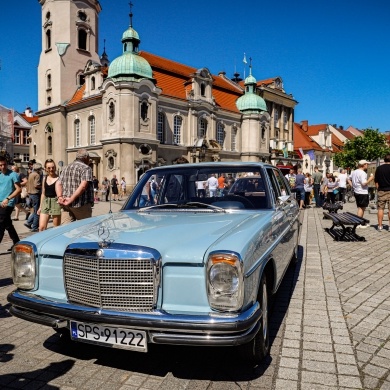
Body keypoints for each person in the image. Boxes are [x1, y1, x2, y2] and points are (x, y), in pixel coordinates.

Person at [56, 148, 94, 224]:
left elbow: (58, 183)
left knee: (66, 230)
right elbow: (83, 186)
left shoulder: (66, 167)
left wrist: (59, 197)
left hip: (65, 204)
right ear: (86, 157)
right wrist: (71, 199)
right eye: (89, 158)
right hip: (81, 204)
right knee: (85, 228)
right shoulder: (86, 168)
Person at [0, 156, 21, 251]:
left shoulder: (13, 174)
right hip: (0, 203)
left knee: (1, 223)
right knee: (8, 224)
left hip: (8, 203)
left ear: (7, 164)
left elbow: (18, 189)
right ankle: (17, 242)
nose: (3, 167)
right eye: (0, 165)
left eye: (4, 164)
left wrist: (8, 198)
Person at [38, 159, 62, 231]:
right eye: (49, 168)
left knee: (56, 228)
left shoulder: (59, 179)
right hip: (46, 202)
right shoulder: (44, 178)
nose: (51, 169)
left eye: (53, 167)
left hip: (55, 202)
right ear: (45, 168)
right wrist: (40, 206)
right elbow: (43, 193)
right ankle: (42, 242)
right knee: (41, 227)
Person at [348, 160, 375, 224]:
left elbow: (348, 179)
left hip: (357, 191)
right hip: (362, 192)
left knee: (360, 207)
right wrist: (371, 178)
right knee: (361, 208)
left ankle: (360, 222)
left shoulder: (354, 172)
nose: (367, 166)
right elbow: (363, 183)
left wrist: (353, 186)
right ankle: (358, 223)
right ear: (364, 165)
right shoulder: (362, 173)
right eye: (367, 164)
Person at [374, 154, 390, 231]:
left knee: (380, 209)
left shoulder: (379, 168)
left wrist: (378, 189)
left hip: (382, 190)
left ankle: (380, 226)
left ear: (384, 160)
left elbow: (376, 180)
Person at [25, 162, 42, 232]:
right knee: (37, 211)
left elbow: (28, 184)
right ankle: (34, 226)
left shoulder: (31, 174)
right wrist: (42, 186)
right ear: (38, 169)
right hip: (35, 194)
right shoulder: (37, 175)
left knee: (35, 210)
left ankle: (29, 222)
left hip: (30, 194)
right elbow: (36, 185)